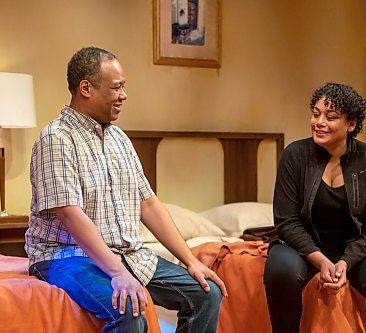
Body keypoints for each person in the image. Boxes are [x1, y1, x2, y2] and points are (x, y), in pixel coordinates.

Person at [25, 46, 227, 333]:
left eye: (124, 87)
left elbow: (148, 204)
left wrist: (190, 260)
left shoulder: (119, 138)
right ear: (86, 88)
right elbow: (70, 214)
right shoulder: (57, 139)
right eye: (116, 87)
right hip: (67, 256)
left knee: (206, 294)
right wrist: (117, 272)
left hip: (127, 252)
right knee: (128, 308)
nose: (124, 95)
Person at [264, 82, 366, 333]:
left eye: (331, 116)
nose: (319, 122)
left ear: (351, 124)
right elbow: (286, 222)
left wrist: (345, 262)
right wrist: (321, 260)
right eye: (315, 114)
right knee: (280, 270)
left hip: (356, 245)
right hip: (302, 246)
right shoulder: (295, 155)